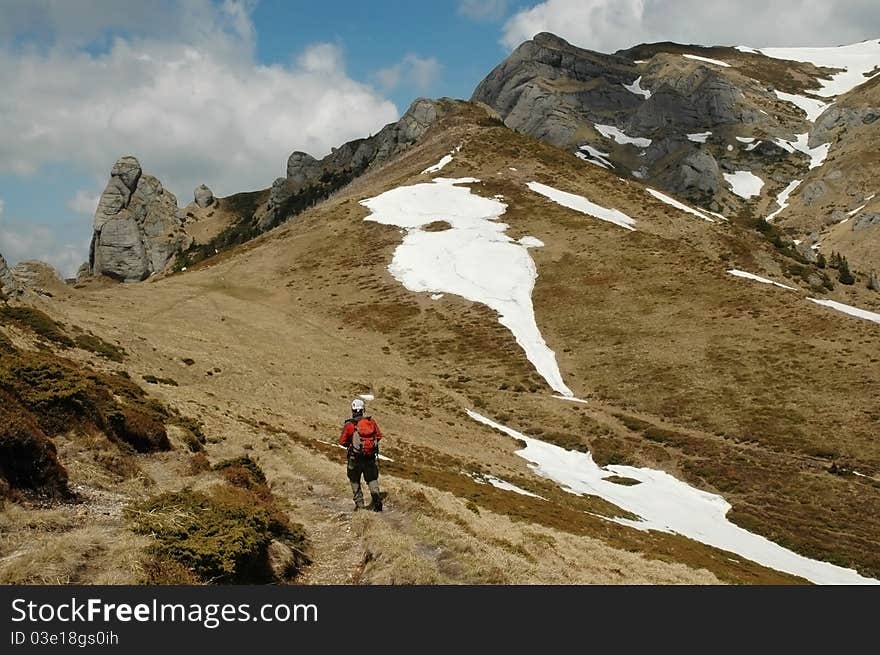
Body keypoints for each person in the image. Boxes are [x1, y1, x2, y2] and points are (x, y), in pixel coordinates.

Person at [339, 398, 383, 511]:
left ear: (352, 410)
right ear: (363, 409)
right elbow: (378, 436)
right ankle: (376, 496)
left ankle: (360, 506)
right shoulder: (371, 422)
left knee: (354, 480)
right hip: (370, 458)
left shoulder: (349, 425)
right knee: (372, 479)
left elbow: (342, 442)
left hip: (355, 458)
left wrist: (353, 445)